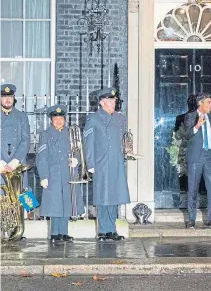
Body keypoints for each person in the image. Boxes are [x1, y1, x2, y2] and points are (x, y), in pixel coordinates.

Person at [84, 87, 130, 241]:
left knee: (115, 196)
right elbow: (88, 143)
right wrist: (90, 164)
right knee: (103, 197)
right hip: (101, 163)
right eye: (109, 100)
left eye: (114, 100)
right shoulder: (94, 119)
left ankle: (112, 229)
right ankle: (103, 230)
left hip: (116, 162)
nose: (113, 103)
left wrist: (127, 151)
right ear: (101, 102)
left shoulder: (120, 118)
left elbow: (124, 140)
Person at [36, 106, 77, 243]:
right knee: (54, 204)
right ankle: (54, 233)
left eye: (61, 118)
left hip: (67, 172)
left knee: (66, 202)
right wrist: (43, 176)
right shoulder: (45, 135)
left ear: (64, 119)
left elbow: (78, 149)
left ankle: (64, 232)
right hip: (52, 173)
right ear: (51, 120)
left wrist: (76, 160)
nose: (59, 121)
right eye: (56, 119)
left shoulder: (70, 133)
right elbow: (42, 157)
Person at [184, 92, 211, 229]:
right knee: (192, 188)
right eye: (209, 102)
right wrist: (197, 125)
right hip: (195, 157)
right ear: (201, 103)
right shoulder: (190, 116)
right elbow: (187, 135)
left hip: (209, 157)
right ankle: (191, 220)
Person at [1, 84, 30, 188]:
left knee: (23, 199)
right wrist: (2, 163)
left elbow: (25, 140)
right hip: (0, 164)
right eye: (4, 97)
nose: (7, 99)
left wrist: (14, 162)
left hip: (18, 163)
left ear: (14, 99)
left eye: (10, 97)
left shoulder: (22, 117)